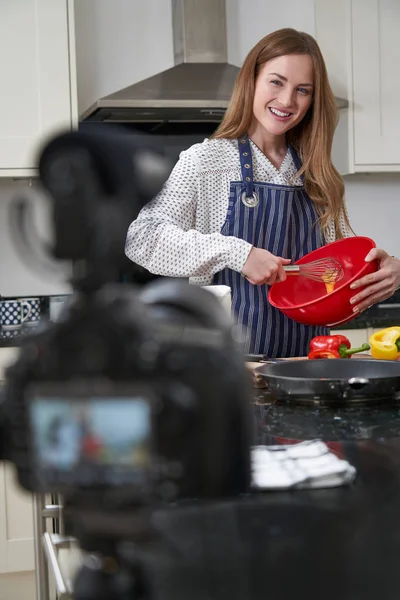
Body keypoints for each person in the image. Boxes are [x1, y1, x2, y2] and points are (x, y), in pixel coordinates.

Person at [125, 28, 400, 357]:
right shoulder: (206, 160)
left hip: (306, 363)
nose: (287, 101)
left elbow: (332, 274)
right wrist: (238, 254)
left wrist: (384, 270)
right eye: (276, 82)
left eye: (302, 90)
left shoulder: (314, 173)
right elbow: (141, 239)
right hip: (229, 367)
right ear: (251, 80)